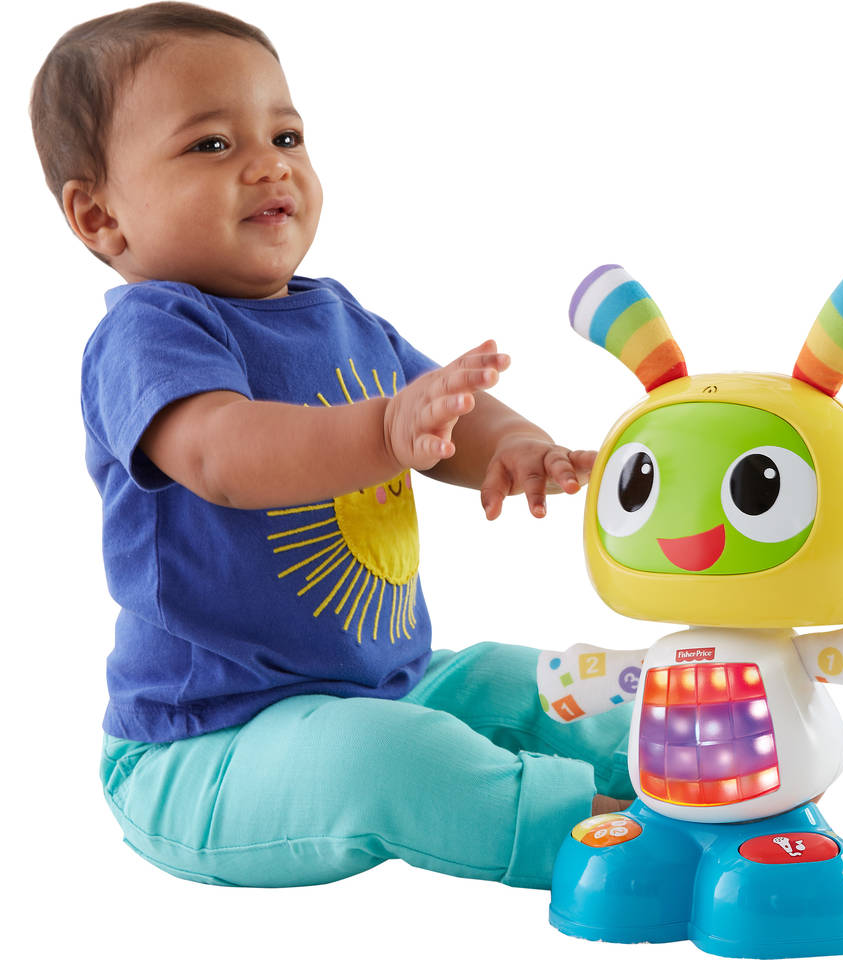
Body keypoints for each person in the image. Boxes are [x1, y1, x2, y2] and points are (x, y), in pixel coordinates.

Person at [30, 2, 632, 889]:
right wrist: (384, 429)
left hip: (390, 685)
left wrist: (513, 443)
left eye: (286, 136)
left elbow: (448, 417)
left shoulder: (340, 315)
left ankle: (690, 761)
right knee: (389, 760)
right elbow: (224, 456)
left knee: (544, 682)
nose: (269, 164)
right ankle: (601, 839)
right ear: (99, 216)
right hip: (208, 746)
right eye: (211, 144)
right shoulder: (150, 333)